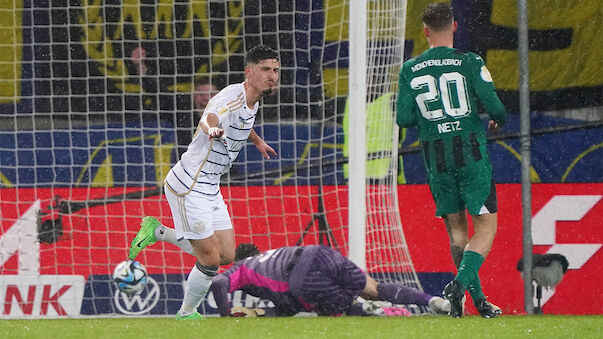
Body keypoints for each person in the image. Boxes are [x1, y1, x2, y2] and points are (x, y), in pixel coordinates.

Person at [128, 45, 279, 320]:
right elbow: (209, 119)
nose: (272, 75)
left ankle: (159, 232)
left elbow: (243, 122)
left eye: (275, 70)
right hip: (189, 184)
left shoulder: (253, 99)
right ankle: (186, 314)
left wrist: (257, 141)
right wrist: (212, 129)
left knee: (226, 255)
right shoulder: (229, 98)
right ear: (249, 71)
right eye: (266, 69)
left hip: (211, 186)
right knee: (209, 259)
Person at [396, 3, 507, 318]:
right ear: (455, 26)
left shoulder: (410, 68)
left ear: (425, 31)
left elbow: (403, 118)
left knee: (457, 231)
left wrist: (433, 117)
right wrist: (495, 118)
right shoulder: (469, 62)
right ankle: (460, 286)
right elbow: (495, 107)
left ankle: (477, 301)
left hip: (436, 158)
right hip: (470, 154)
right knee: (485, 229)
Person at [211, 243, 450, 317]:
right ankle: (433, 301)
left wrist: (225, 315)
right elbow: (285, 309)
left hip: (301, 279)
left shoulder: (242, 268)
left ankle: (368, 310)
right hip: (316, 252)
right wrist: (259, 314)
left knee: (334, 312)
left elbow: (219, 283)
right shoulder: (271, 254)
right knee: (374, 288)